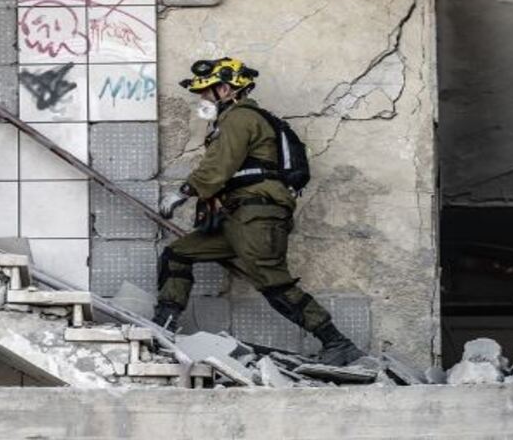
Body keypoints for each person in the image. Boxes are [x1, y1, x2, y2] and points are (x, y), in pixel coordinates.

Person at [153, 58, 367, 367]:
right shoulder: (231, 119)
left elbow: (219, 166)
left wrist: (184, 193)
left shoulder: (240, 118)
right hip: (236, 218)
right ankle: (164, 326)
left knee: (274, 283)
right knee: (178, 254)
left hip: (255, 218)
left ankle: (338, 343)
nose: (202, 100)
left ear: (225, 89)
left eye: (206, 93)